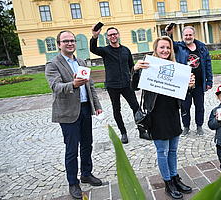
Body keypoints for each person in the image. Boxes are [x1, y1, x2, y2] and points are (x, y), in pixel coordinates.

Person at [132, 36, 194, 199]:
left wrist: (189, 86)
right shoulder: (148, 66)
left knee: (173, 150)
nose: (165, 50)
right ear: (156, 49)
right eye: (162, 47)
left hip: (172, 113)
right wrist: (136, 69)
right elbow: (133, 86)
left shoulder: (177, 67)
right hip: (156, 116)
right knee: (163, 151)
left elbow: (181, 94)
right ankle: (168, 183)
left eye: (168, 47)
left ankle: (175, 177)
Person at [45, 30, 103, 199]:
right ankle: (73, 182)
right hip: (68, 113)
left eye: (72, 40)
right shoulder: (53, 64)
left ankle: (86, 173)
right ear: (59, 44)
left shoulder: (81, 61)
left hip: (85, 108)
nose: (70, 43)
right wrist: (74, 84)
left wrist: (97, 106)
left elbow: (90, 85)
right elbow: (56, 87)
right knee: (72, 149)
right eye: (65, 41)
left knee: (87, 144)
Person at [90, 25, 150, 144]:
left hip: (127, 84)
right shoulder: (105, 51)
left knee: (136, 108)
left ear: (118, 35)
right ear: (107, 37)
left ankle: (142, 131)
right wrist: (94, 36)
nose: (113, 36)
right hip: (113, 86)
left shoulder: (126, 50)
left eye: (115, 34)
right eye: (110, 35)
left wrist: (137, 73)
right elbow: (93, 49)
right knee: (117, 110)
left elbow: (131, 67)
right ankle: (123, 133)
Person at [168, 25, 213, 136]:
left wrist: (209, 81)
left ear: (194, 35)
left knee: (200, 106)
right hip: (184, 84)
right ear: (183, 36)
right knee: (185, 107)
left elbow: (208, 64)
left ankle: (199, 126)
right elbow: (169, 44)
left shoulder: (201, 47)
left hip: (199, 83)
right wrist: (169, 34)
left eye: (190, 35)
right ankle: (186, 127)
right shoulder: (179, 47)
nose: (188, 37)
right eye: (186, 35)